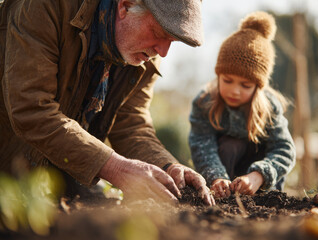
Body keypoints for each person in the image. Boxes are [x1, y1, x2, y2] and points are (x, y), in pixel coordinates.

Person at [0, 0, 215, 205]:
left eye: (172, 41)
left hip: (61, 174)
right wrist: (114, 167)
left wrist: (168, 167)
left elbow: (130, 124)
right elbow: (31, 109)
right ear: (125, 5)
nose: (163, 52)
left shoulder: (144, 52)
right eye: (160, 34)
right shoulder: (47, 7)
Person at [188, 11, 296, 199]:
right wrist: (216, 177)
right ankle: (224, 194)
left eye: (245, 85)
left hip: (262, 186)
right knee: (231, 144)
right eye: (227, 80)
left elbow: (284, 150)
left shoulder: (269, 108)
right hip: (224, 176)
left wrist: (258, 176)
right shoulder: (204, 102)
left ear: (258, 87)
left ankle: (260, 195)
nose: (234, 91)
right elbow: (201, 145)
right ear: (218, 75)